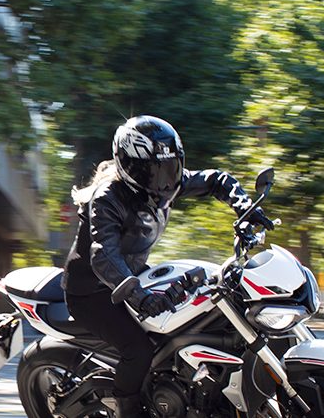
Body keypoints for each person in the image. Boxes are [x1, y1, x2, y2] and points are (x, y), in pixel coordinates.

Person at [63, 115, 256, 417]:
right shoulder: (107, 198)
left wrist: (245, 208)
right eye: (153, 170)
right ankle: (128, 410)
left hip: (133, 275)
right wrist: (139, 296)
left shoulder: (167, 183)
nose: (164, 179)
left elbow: (215, 180)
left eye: (170, 167)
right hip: (93, 291)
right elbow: (103, 255)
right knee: (138, 350)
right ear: (131, 168)